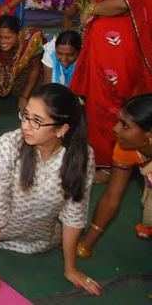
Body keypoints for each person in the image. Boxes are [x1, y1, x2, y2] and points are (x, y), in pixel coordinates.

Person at [0, 84, 99, 296]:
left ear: (62, 129)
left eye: (37, 121)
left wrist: (71, 269)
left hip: (34, 227)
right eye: (26, 116)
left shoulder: (82, 157)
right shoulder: (10, 145)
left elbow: (74, 214)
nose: (26, 126)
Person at [71, 0, 152, 172]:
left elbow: (122, 2)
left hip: (115, 53)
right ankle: (124, 159)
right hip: (117, 49)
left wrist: (91, 8)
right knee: (116, 104)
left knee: (106, 106)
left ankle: (107, 164)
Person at [77, 94, 152, 258]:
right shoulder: (126, 146)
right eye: (119, 121)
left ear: (149, 135)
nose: (115, 129)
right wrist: (86, 243)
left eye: (125, 125)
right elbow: (112, 196)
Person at [0, 15, 44, 118]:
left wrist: (24, 97)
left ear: (18, 35)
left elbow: (35, 68)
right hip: (8, 70)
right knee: (2, 86)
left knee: (38, 96)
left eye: (8, 37)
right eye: (0, 37)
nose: (2, 41)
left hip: (27, 72)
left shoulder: (32, 40)